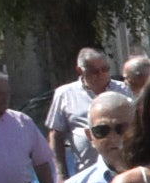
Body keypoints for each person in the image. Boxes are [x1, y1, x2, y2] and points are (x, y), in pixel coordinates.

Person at [46, 46, 119, 174]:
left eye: (105, 69)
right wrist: (61, 174)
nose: (101, 74)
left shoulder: (124, 90)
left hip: (125, 170)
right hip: (87, 172)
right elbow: (56, 136)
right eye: (94, 71)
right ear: (80, 71)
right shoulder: (65, 94)